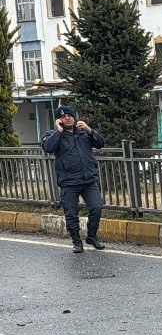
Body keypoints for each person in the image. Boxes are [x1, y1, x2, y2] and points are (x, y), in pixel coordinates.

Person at [42, 104, 107, 253]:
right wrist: (58, 131)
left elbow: (100, 144)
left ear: (74, 117)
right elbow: (48, 148)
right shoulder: (53, 134)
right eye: (63, 116)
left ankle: (92, 236)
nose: (67, 118)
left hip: (89, 180)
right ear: (59, 120)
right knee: (71, 214)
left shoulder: (83, 132)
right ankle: (76, 241)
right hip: (69, 181)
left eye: (69, 115)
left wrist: (90, 130)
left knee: (96, 207)